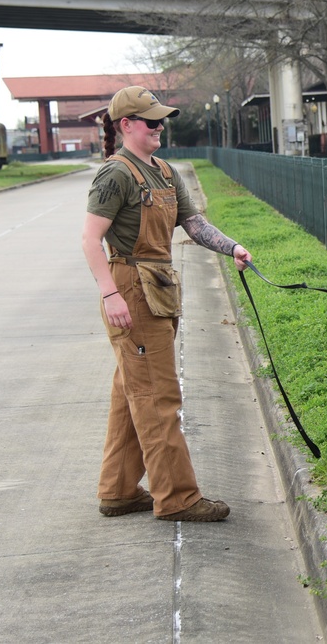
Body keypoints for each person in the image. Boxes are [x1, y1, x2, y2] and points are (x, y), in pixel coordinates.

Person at [82, 86, 251, 522]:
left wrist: (231, 247)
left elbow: (193, 223)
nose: (160, 127)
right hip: (131, 290)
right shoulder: (115, 174)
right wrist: (110, 293)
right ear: (126, 126)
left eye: (162, 120)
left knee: (130, 391)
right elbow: (89, 240)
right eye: (151, 120)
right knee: (157, 396)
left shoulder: (163, 171)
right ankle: (177, 498)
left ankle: (118, 490)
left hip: (156, 287)